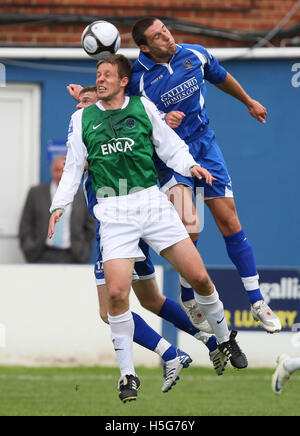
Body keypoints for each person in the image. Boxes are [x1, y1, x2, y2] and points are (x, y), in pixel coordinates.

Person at [49, 54, 248, 403]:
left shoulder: (142, 107)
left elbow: (170, 147)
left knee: (199, 277)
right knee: (114, 296)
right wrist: (58, 206)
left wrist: (192, 165)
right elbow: (73, 168)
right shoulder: (82, 119)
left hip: (152, 205)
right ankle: (128, 375)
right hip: (114, 213)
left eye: (108, 74)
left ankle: (224, 339)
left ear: (124, 80)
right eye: (98, 74)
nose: (101, 79)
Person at [126, 17, 281, 334]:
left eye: (165, 29)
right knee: (189, 228)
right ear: (144, 47)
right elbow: (130, 119)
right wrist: (159, 120)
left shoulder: (194, 54)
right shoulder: (136, 79)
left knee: (229, 220)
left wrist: (249, 102)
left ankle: (257, 300)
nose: (167, 36)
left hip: (204, 147)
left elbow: (221, 76)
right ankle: (187, 297)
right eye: (157, 35)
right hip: (168, 157)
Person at [77, 85, 229, 389]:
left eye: (85, 102)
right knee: (151, 299)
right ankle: (211, 341)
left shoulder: (103, 134)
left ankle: (170, 353)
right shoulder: (90, 124)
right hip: (124, 225)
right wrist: (83, 102)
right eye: (79, 102)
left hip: (118, 228)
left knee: (109, 310)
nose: (80, 108)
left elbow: (86, 152)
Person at [19, 154, 95, 263]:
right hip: (41, 255)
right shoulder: (36, 193)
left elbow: (89, 226)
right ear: (52, 171)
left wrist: (84, 249)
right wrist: (29, 247)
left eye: (64, 171)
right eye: (57, 170)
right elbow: (26, 223)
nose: (60, 175)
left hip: (74, 256)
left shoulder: (82, 194)